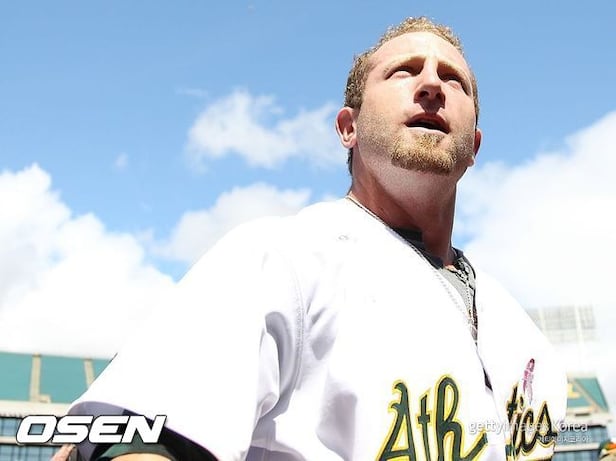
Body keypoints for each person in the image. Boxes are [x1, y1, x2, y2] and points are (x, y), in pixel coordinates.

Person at [59, 16, 568, 460]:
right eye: (404, 71)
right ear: (349, 127)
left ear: (473, 145)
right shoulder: (279, 259)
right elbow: (143, 439)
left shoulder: (527, 340)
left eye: (454, 80)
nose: (432, 84)